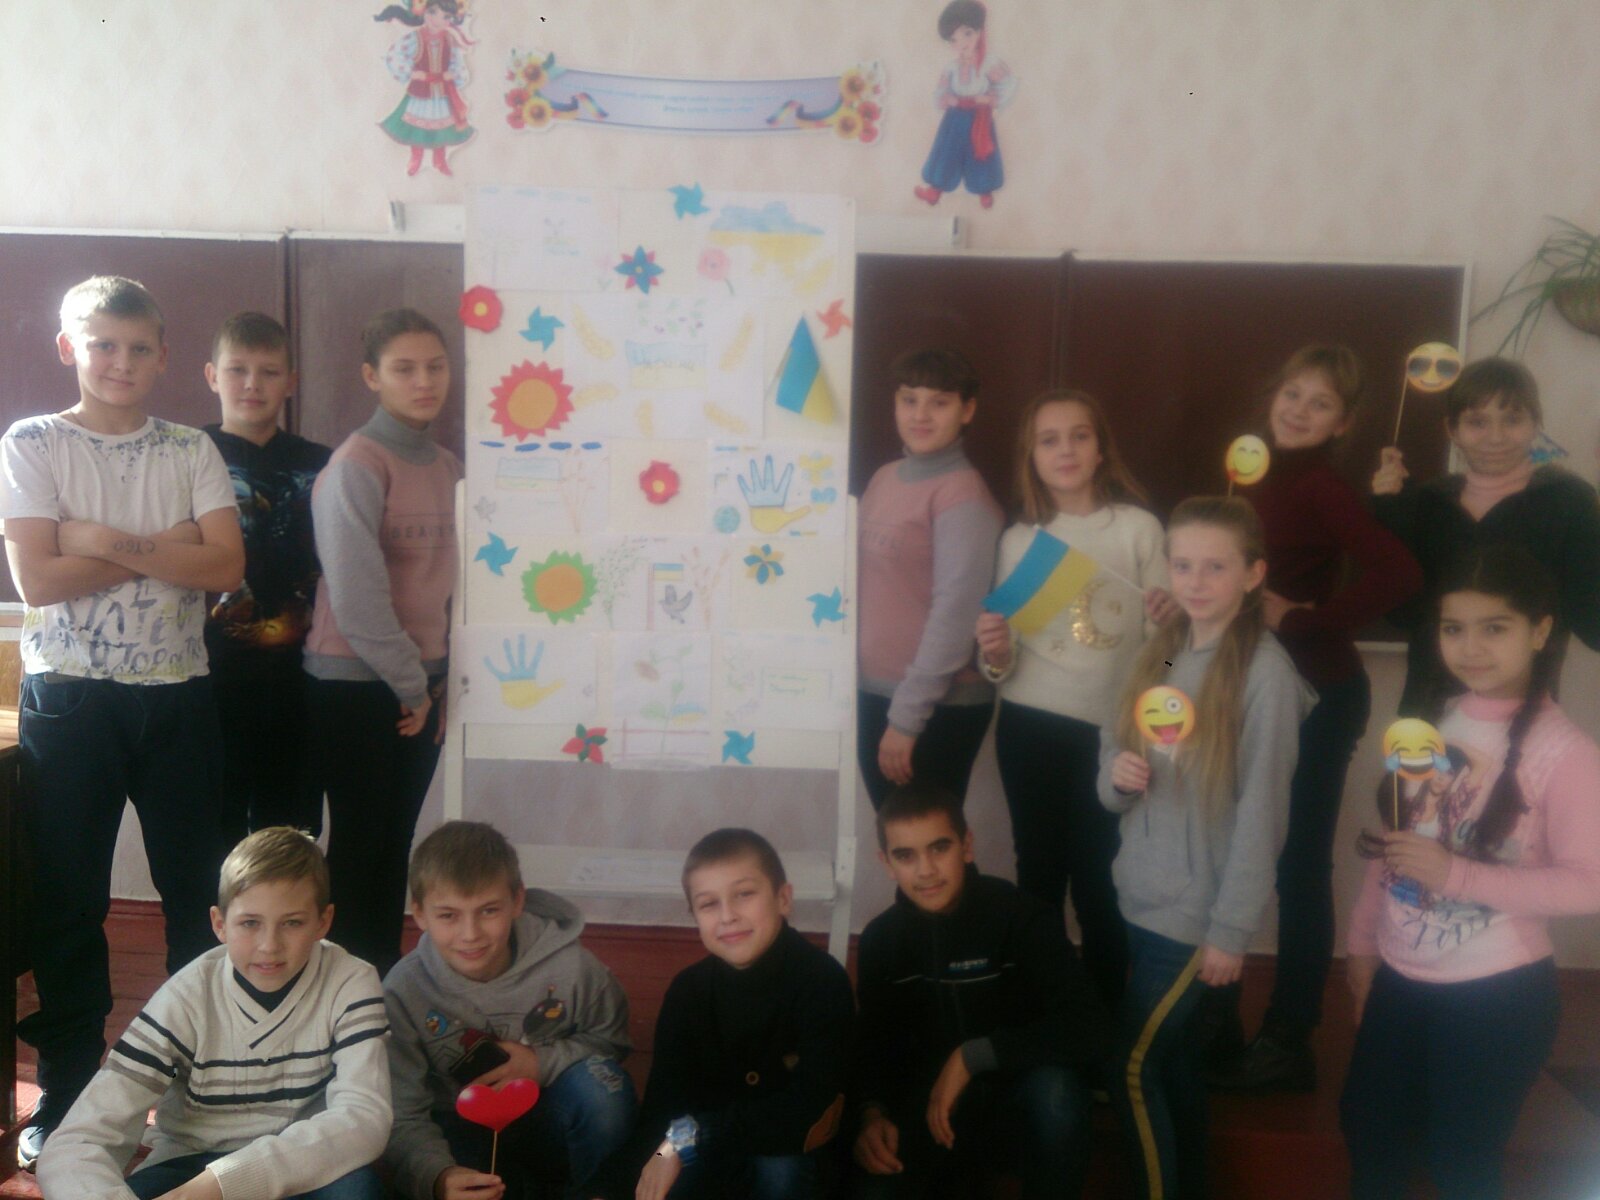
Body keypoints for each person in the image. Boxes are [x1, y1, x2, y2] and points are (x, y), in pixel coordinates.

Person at [0, 275, 244, 1168]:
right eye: (103, 344)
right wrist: (166, 553)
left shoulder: (188, 447)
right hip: (71, 698)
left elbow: (224, 567)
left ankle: (193, 1083)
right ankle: (69, 1089)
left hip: (179, 697)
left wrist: (99, 540)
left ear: (165, 357)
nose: (121, 362)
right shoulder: (32, 441)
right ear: (70, 347)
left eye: (139, 348)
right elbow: (39, 580)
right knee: (70, 900)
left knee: (196, 896)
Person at [1342, 546, 1600, 1200]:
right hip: (1400, 978)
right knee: (1370, 1135)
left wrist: (1456, 876)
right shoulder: (1429, 724)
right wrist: (1362, 945)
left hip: (1497, 996)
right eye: (1454, 628)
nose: (1471, 647)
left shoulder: (1567, 754)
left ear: (1540, 631)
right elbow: (1397, 844)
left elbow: (1590, 883)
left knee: (1460, 1163)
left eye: (1495, 627)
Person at [1210, 347, 1422, 1092]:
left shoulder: (1322, 486)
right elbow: (1211, 602)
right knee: (1231, 852)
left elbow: (1401, 573)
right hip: (1245, 694)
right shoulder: (1249, 473)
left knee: (1297, 866)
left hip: (1317, 696)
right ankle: (1215, 1023)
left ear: (1343, 423)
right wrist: (1174, 639)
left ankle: (1290, 1039)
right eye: (1292, 394)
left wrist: (1303, 619)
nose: (1299, 410)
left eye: (1320, 403)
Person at [1097, 496, 1313, 1200]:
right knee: (1174, 1065)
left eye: (1215, 567)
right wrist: (1117, 777)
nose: (1195, 581)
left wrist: (1230, 929)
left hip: (1193, 918)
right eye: (1183, 564)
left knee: (1130, 1069)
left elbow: (1263, 814)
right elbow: (1116, 740)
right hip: (1143, 892)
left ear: (1253, 574)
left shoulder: (1264, 675)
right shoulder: (1164, 647)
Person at [37, 827, 392, 1200]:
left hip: (303, 1166)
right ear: (219, 924)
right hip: (189, 1165)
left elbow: (364, 1118)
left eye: (292, 922)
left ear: (323, 921)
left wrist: (221, 1185)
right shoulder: (185, 998)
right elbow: (77, 1141)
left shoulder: (351, 982)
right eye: (250, 923)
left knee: (357, 1191)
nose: (269, 946)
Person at [974, 389, 1171, 1010]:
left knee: (1099, 881)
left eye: (1079, 435)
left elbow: (1169, 659)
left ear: (1100, 448)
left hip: (1111, 736)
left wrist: (1170, 633)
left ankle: (1105, 1016)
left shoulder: (1139, 529)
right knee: (1038, 875)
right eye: (1049, 439)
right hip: (1029, 729)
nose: (1066, 450)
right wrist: (994, 651)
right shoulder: (1019, 541)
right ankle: (1042, 1010)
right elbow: (1001, 667)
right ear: (1030, 456)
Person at [851, 783, 1109, 1199]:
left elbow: (1089, 1027)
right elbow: (873, 1046)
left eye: (939, 848)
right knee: (871, 1190)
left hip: (1017, 1102)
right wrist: (871, 1114)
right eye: (906, 855)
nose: (926, 870)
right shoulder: (881, 940)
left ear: (967, 846)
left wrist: (974, 1056)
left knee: (1058, 1096)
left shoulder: (1022, 916)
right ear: (887, 863)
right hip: (931, 1110)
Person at [304, 307, 462, 976]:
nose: (424, 381)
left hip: (420, 683)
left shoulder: (447, 465)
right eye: (404, 369)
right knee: (360, 844)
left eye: (435, 367)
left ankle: (377, 980)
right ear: (372, 377)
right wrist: (414, 687)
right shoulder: (356, 465)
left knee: (395, 842)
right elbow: (358, 599)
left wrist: (442, 683)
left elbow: (457, 589)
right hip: (356, 684)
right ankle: (342, 990)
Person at [589, 829, 856, 1200]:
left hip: (792, 1154)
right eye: (709, 904)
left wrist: (690, 1135)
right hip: (702, 1149)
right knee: (659, 1178)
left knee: (778, 1170)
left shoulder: (821, 980)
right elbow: (664, 1110)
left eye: (744, 894)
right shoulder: (688, 991)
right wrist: (611, 1187)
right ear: (694, 916)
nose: (728, 916)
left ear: (783, 899)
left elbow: (806, 1111)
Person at [384, 821, 635, 1200]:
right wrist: (438, 1175)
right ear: (419, 914)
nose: (470, 934)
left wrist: (540, 1062)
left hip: (549, 1119)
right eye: (448, 915)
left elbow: (612, 1044)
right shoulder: (403, 990)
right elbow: (402, 1110)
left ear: (517, 901)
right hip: (455, 1133)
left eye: (488, 910)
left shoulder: (575, 968)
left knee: (604, 1095)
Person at [1371, 356, 1600, 715]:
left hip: (1520, 714)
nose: (1496, 437)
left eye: (1512, 419)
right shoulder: (1427, 503)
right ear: (1452, 430)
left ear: (1535, 424)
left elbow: (1592, 621)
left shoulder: (1569, 501)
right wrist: (1390, 513)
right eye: (1477, 422)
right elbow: (1401, 614)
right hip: (1427, 710)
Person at [203, 311, 332, 840]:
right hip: (206, 686)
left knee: (290, 842)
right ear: (212, 376)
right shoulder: (186, 456)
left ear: (291, 382)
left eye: (269, 371)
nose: (252, 384)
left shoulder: (323, 464)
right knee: (213, 840)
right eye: (237, 369)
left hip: (298, 686)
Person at [857, 348, 1002, 808]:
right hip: (876, 693)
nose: (920, 415)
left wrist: (906, 719)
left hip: (934, 706)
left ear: (967, 410)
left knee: (926, 843)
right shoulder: (884, 478)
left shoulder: (963, 495)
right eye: (909, 399)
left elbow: (956, 615)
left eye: (939, 402)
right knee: (897, 838)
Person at [913, 0, 1017, 210]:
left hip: (979, 116)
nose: (961, 43)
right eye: (953, 39)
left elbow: (1008, 83)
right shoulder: (951, 67)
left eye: (967, 34)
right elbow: (940, 91)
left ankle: (984, 191)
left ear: (979, 32)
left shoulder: (989, 63)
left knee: (980, 152)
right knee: (947, 151)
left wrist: (989, 99)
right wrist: (948, 99)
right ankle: (935, 190)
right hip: (955, 117)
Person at [375, 0, 476, 177]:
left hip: (442, 93)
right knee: (417, 127)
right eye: (432, 12)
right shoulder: (415, 38)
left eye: (446, 16)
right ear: (422, 11)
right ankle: (416, 158)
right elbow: (395, 55)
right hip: (420, 92)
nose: (437, 20)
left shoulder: (450, 39)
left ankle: (440, 160)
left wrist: (453, 74)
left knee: (442, 128)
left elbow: (457, 62)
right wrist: (412, 73)